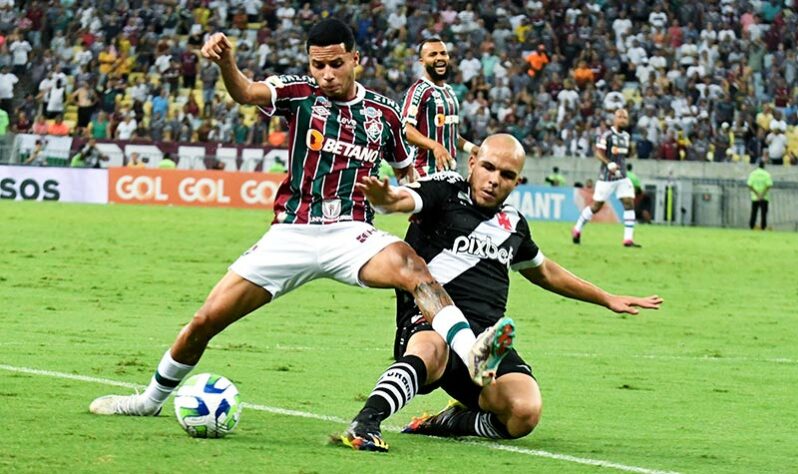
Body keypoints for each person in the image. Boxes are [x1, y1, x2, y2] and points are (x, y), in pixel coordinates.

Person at [88, 19, 506, 419]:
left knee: (414, 269)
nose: (326, 74)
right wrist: (225, 64)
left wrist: (390, 198)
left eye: (335, 64)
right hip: (292, 232)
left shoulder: (385, 115)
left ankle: (471, 352)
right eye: (318, 65)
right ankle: (149, 399)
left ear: (355, 60)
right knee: (205, 320)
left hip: (352, 233)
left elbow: (404, 178)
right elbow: (248, 93)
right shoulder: (299, 93)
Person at [336, 134, 663, 452]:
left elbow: (545, 271)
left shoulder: (514, 224)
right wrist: (387, 200)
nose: (494, 180)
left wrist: (606, 298)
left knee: (525, 412)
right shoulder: (445, 191)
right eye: (489, 168)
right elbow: (404, 199)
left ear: (517, 182)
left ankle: (449, 423)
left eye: (506, 175)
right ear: (473, 162)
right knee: (431, 349)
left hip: (486, 348)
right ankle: (365, 422)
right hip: (430, 321)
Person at [402, 37, 478, 177]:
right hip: (424, 175)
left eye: (443, 53)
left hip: (449, 175)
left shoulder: (450, 91)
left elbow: (451, 135)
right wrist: (435, 146)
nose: (440, 58)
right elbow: (405, 130)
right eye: (433, 54)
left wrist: (473, 149)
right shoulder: (418, 91)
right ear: (422, 62)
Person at [572, 108, 639, 247]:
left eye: (625, 117)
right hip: (607, 177)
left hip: (622, 177)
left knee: (629, 203)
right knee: (596, 206)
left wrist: (631, 152)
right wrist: (609, 164)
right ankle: (577, 228)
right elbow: (598, 153)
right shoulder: (607, 135)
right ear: (614, 119)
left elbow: (624, 154)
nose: (623, 119)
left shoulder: (626, 136)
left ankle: (628, 239)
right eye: (620, 116)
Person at [747, 160, 773, 230]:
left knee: (754, 213)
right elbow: (769, 185)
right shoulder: (766, 174)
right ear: (764, 166)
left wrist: (757, 194)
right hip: (764, 197)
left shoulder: (753, 173)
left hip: (755, 197)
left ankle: (752, 226)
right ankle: (763, 227)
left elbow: (749, 185)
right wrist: (762, 194)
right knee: (763, 214)